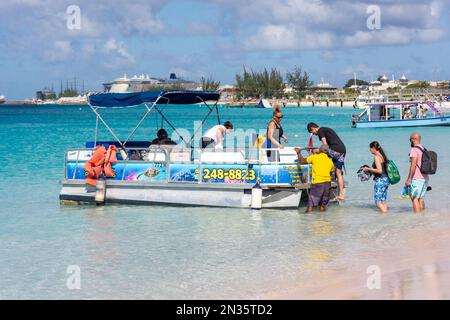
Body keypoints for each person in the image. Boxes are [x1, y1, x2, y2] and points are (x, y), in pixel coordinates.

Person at [307, 122, 346, 201]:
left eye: (312, 132)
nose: (314, 134)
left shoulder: (321, 131)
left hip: (335, 150)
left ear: (313, 128)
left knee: (314, 151)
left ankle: (318, 177)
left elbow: (325, 145)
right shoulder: (325, 129)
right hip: (342, 150)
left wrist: (319, 152)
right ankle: (341, 195)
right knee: (338, 173)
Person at [295, 145, 334, 213]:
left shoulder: (314, 157)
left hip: (318, 183)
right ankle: (324, 221)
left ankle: (307, 220)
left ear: (320, 150)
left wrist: (298, 153)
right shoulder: (330, 161)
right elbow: (331, 174)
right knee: (323, 205)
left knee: (311, 205)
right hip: (327, 184)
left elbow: (302, 161)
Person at [405, 132, 429, 213]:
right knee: (420, 198)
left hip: (417, 178)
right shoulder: (423, 148)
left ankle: (418, 219)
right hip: (425, 177)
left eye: (410, 139)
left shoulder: (414, 149)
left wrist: (409, 179)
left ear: (413, 139)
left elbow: (413, 166)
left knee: (414, 198)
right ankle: (422, 217)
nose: (410, 141)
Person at [363, 141, 389, 213]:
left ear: (374, 148)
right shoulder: (382, 156)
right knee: (383, 200)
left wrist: (368, 169)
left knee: (378, 202)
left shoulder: (376, 157)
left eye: (370, 148)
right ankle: (386, 217)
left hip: (381, 180)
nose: (369, 150)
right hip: (386, 179)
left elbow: (379, 171)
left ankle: (384, 216)